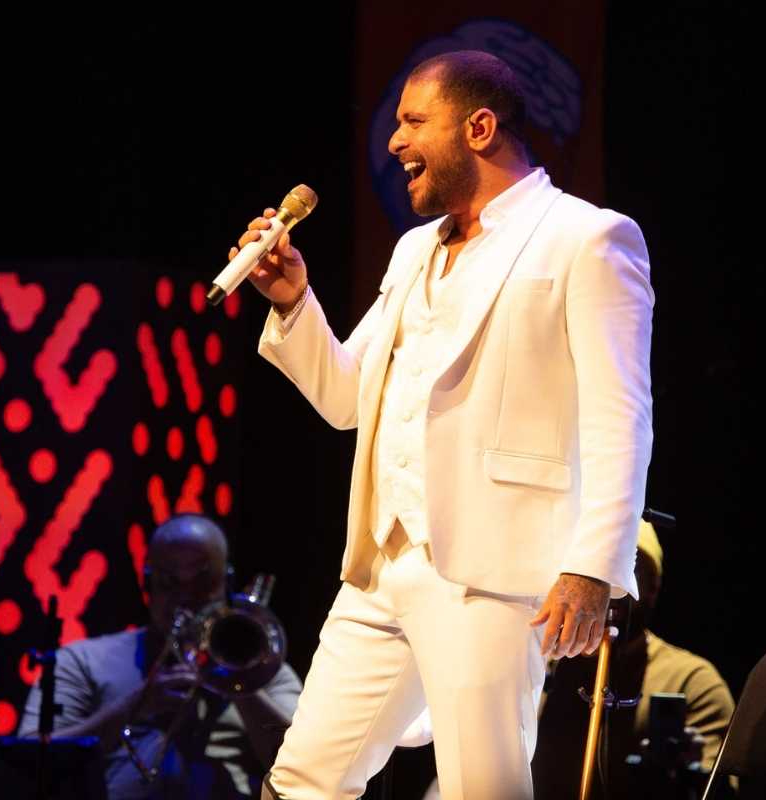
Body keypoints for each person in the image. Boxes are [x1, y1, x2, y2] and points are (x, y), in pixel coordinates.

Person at [233, 50, 654, 800]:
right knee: (303, 779)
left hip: (494, 573)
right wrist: (294, 302)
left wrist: (593, 566)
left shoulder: (585, 238)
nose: (395, 141)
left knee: (481, 788)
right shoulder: (413, 249)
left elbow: (621, 416)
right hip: (383, 562)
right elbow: (348, 398)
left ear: (479, 128)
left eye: (414, 121)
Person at [18, 514, 302, 800]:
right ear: (147, 585)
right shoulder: (82, 661)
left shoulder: (263, 668)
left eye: (203, 581)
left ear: (226, 584)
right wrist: (135, 706)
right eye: (168, 581)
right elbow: (29, 764)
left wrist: (239, 683)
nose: (186, 597)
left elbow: (303, 769)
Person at [532, 521, 736, 799]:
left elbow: (726, 787)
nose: (610, 588)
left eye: (628, 569)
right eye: (595, 572)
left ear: (653, 588)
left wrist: (692, 777)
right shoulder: (538, 665)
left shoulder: (692, 681)